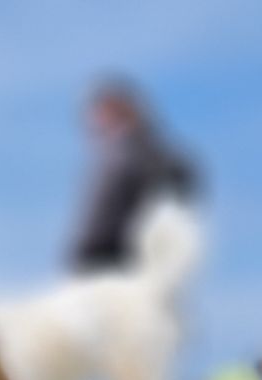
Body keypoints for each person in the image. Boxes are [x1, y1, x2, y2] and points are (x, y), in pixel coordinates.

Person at [68, 79, 200, 271]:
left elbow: (177, 200)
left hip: (121, 259)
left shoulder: (142, 154)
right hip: (101, 258)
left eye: (103, 114)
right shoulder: (117, 154)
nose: (96, 124)